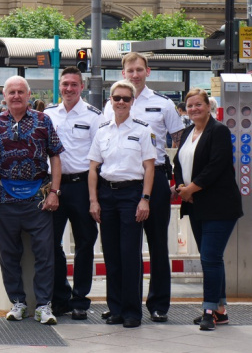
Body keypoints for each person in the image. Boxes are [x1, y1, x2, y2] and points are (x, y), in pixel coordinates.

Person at [103, 52, 183, 322]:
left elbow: (180, 142)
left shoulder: (163, 104)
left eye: (139, 69)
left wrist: (178, 181)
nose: (135, 74)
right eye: (130, 70)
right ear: (123, 72)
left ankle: (159, 304)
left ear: (148, 71)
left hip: (155, 178)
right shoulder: (111, 102)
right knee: (124, 248)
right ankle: (124, 304)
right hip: (122, 183)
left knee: (158, 242)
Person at [0, 76, 63, 326]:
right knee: (9, 254)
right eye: (11, 92)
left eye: (21, 91)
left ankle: (44, 305)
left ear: (29, 94)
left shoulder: (43, 121)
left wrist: (54, 191)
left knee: (45, 254)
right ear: (4, 95)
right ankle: (18, 303)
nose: (16, 96)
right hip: (4, 198)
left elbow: (55, 156)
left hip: (39, 198)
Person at [172, 88, 243, 331]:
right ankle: (220, 310)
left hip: (220, 205)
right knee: (211, 258)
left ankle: (209, 310)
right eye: (189, 105)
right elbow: (177, 162)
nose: (193, 109)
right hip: (196, 205)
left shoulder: (219, 130)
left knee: (210, 258)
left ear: (208, 106)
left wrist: (191, 188)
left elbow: (217, 164)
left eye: (198, 105)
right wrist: (183, 187)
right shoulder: (188, 132)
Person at [90, 80, 156, 328]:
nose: (120, 102)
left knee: (130, 255)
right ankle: (115, 308)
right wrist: (94, 200)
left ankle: (132, 312)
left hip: (131, 195)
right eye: (116, 98)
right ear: (110, 100)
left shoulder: (142, 130)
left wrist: (145, 199)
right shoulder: (103, 130)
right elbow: (93, 168)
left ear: (132, 102)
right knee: (111, 255)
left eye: (125, 99)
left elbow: (149, 167)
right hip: (107, 195)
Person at [43, 67, 102, 320]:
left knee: (85, 244)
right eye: (65, 84)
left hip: (81, 185)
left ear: (82, 87)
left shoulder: (94, 116)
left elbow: (98, 157)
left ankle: (80, 299)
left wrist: (93, 196)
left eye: (74, 84)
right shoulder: (47, 115)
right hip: (53, 188)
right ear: (60, 86)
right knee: (50, 244)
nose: (69, 88)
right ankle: (60, 296)